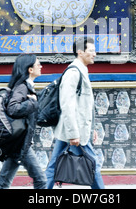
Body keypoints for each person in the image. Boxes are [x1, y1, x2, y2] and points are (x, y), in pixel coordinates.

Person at [45, 37, 105, 189]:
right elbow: (68, 104)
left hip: (75, 129)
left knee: (54, 166)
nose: (95, 54)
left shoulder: (81, 70)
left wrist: (92, 129)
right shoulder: (74, 72)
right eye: (91, 50)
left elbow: (84, 106)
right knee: (92, 164)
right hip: (74, 131)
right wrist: (73, 133)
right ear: (80, 52)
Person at [0, 54, 46, 189]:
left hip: (18, 143)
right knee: (41, 180)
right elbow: (13, 108)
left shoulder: (25, 86)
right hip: (21, 144)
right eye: (38, 64)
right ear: (30, 69)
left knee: (3, 183)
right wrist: (33, 102)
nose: (41, 66)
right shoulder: (22, 87)